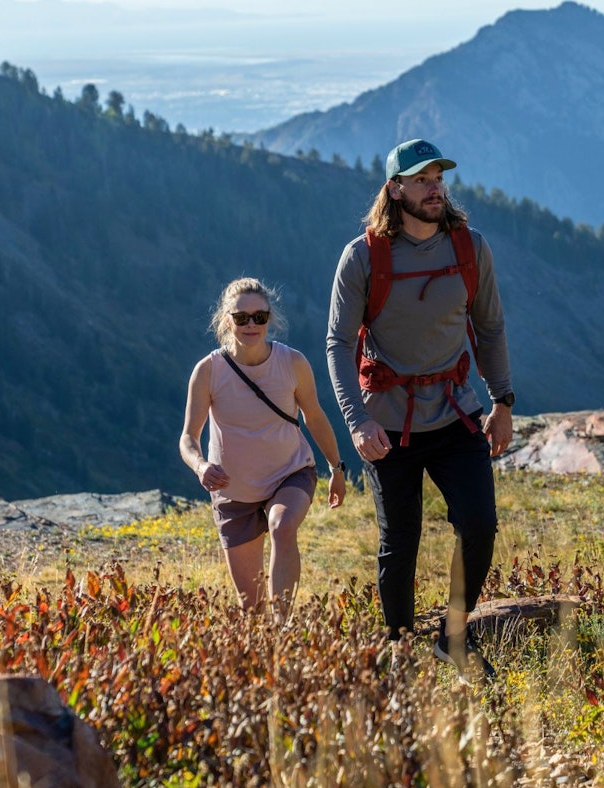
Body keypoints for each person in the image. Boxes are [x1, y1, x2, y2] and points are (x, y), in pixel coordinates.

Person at [326, 138, 515, 681]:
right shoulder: (363, 257)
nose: (435, 188)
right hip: (387, 421)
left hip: (457, 413)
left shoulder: (468, 246)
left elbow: (490, 326)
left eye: (439, 178)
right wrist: (357, 421)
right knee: (399, 542)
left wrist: (502, 401)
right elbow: (338, 344)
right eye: (421, 179)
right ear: (395, 189)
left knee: (479, 524)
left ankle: (453, 638)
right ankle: (399, 650)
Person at [181, 278, 346, 616]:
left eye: (259, 316)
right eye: (241, 318)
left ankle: (284, 628)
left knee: (282, 526)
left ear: (271, 318)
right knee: (252, 611)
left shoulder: (292, 363)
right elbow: (188, 438)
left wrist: (336, 468)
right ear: (227, 320)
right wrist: (200, 467)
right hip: (233, 492)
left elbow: (314, 417)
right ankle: (269, 642)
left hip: (290, 473)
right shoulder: (208, 371)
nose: (251, 324)